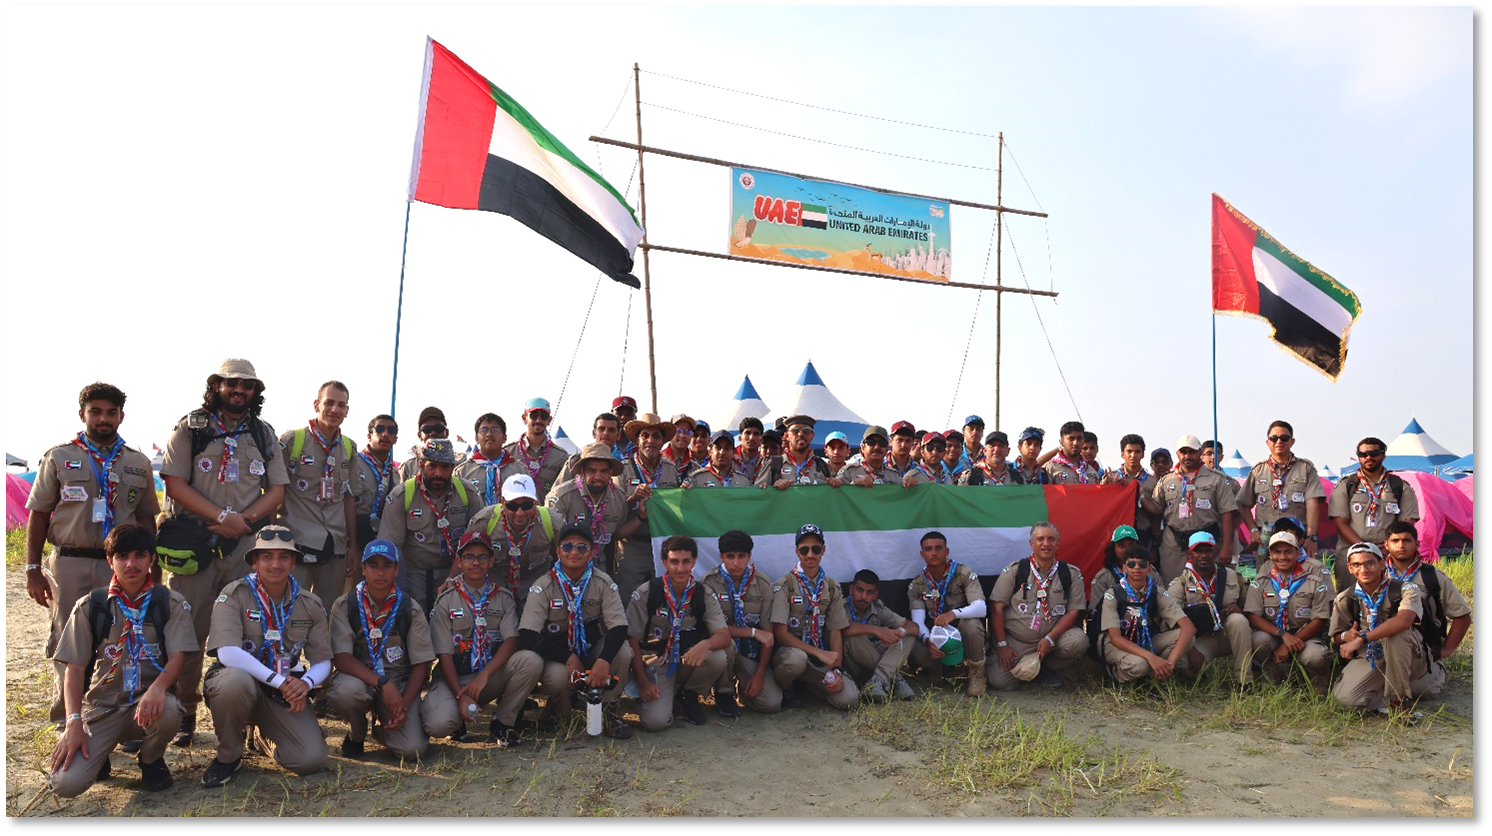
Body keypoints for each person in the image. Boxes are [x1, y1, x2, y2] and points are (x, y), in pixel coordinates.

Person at [159, 358, 289, 746]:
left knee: (250, 633)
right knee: (188, 633)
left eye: (247, 386)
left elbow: (277, 490)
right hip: (196, 546)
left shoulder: (263, 434)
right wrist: (221, 516)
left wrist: (242, 521)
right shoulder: (191, 428)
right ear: (217, 385)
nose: (239, 391)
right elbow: (174, 484)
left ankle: (250, 719)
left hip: (244, 547)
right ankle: (185, 712)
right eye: (232, 383)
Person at [26, 381, 161, 727]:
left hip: (121, 566)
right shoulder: (58, 457)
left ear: (121, 416)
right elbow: (38, 514)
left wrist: (153, 567)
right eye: (96, 412)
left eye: (111, 413)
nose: (104, 419)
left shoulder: (138, 462)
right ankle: (66, 721)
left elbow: (147, 518)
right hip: (70, 562)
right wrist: (32, 569)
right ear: (82, 414)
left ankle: (112, 719)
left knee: (119, 638)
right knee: (68, 640)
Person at [47, 524, 196, 798]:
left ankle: (150, 760)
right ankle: (100, 754)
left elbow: (178, 656)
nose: (131, 563)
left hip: (147, 704)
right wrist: (73, 722)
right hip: (102, 708)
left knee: (171, 710)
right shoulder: (92, 606)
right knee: (65, 784)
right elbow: (74, 669)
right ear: (110, 561)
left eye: (140, 555)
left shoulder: (169, 603)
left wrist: (158, 688)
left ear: (152, 559)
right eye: (122, 556)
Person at [200, 525, 332, 787]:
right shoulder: (234, 595)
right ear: (254, 562)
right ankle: (229, 755)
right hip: (241, 683)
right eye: (267, 557)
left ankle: (261, 737)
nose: (275, 564)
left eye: (284, 557)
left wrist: (305, 684)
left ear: (293, 562)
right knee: (234, 683)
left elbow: (323, 661)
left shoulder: (310, 604)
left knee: (309, 760)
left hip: (281, 691)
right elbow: (227, 652)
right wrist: (279, 681)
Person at [511, 525, 634, 739]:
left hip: (592, 648)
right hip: (558, 653)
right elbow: (528, 634)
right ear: (558, 551)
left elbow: (619, 626)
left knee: (623, 652)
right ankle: (559, 706)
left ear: (592, 552)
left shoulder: (603, 582)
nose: (574, 552)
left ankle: (608, 709)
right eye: (567, 546)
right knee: (557, 678)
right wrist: (568, 658)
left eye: (581, 547)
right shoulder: (543, 586)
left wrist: (604, 660)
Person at [424, 531, 542, 746]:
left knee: (530, 660)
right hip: (454, 677)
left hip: (489, 676)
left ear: (491, 562)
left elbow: (511, 640)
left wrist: (485, 675)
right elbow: (444, 654)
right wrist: (460, 695)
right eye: (469, 557)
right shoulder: (445, 600)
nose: (476, 562)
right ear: (459, 561)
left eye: (482, 557)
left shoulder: (503, 597)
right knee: (438, 725)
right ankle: (458, 720)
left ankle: (503, 722)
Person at [327, 539, 434, 760]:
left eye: (387, 565)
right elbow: (342, 658)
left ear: (396, 570)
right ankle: (357, 733)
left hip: (398, 682)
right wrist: (382, 683)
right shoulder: (346, 605)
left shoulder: (409, 608)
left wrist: (404, 705)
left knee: (412, 750)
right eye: (373, 565)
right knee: (345, 693)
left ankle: (383, 729)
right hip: (360, 679)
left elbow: (421, 663)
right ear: (363, 569)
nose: (380, 572)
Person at [627, 536, 730, 731]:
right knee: (656, 722)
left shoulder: (703, 593)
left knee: (717, 657)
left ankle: (687, 695)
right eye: (674, 561)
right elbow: (632, 639)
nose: (680, 568)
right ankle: (647, 698)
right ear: (664, 562)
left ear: (694, 562)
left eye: (686, 561)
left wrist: (705, 644)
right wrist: (643, 682)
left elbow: (723, 636)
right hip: (656, 663)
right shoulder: (648, 592)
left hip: (687, 660)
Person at [378, 438, 484, 614]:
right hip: (413, 572)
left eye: (445, 467)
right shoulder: (402, 495)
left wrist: (454, 577)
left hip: (455, 569)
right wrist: (401, 589)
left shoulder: (467, 494)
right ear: (421, 465)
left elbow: (476, 542)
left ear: (453, 468)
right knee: (413, 617)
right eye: (432, 466)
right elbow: (391, 546)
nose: (438, 473)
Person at [278, 380, 359, 603]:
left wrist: (353, 546)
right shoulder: (293, 441)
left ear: (347, 410)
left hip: (336, 544)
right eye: (329, 403)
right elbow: (275, 491)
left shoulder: (349, 448)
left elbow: (349, 498)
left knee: (329, 610)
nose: (335, 409)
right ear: (317, 404)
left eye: (341, 405)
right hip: (297, 542)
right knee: (291, 607)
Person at [1328, 542, 1429, 712]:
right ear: (1350, 568)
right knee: (1346, 701)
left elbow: (1403, 621)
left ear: (1382, 564)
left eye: (1370, 563)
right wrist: (1347, 636)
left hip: (1409, 654)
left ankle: (1399, 701)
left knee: (1394, 635)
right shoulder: (1346, 598)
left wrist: (1362, 638)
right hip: (1371, 655)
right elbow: (1336, 636)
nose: (1364, 569)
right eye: (1356, 565)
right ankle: (1382, 694)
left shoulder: (1406, 589)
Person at [988, 523, 1089, 690]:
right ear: (1031, 544)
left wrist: (1050, 638)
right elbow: (996, 608)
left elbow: (1073, 611)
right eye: (1040, 539)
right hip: (1018, 641)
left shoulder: (1070, 574)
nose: (1046, 544)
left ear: (1057, 544)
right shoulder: (1016, 571)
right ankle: (1030, 669)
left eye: (1051, 539)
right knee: (999, 682)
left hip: (1053, 640)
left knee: (1079, 641)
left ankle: (1044, 668)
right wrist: (1002, 645)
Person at [769, 524, 859, 709]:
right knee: (797, 659)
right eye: (804, 550)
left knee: (849, 699)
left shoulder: (832, 587)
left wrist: (836, 669)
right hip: (791, 655)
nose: (810, 555)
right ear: (797, 551)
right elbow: (781, 634)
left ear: (823, 550)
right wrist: (818, 653)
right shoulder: (785, 585)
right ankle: (786, 687)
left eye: (816, 549)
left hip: (819, 659)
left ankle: (810, 685)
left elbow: (835, 631)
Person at [1381, 522, 1471, 700]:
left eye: (1407, 540)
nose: (1401, 545)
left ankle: (1433, 670)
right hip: (1382, 643)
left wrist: (1446, 650)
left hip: (1422, 645)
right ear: (1386, 544)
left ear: (1417, 544)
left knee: (1424, 691)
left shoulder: (1433, 576)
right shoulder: (1376, 573)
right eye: (1395, 540)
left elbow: (1462, 616)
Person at [700, 530, 780, 716]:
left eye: (741, 556)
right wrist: (753, 632)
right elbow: (714, 629)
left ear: (749, 556)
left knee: (772, 703)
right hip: (723, 650)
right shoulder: (709, 583)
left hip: (750, 653)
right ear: (721, 556)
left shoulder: (762, 583)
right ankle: (724, 692)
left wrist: (759, 674)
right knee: (726, 643)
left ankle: (744, 690)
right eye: (730, 556)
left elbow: (768, 633)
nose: (736, 563)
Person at [1328, 437, 1421, 592]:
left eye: (1374, 453)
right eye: (1363, 454)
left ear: (1383, 455)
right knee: (1349, 598)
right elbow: (1340, 522)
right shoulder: (1346, 485)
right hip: (1352, 553)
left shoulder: (1399, 486)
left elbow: (1407, 523)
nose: (1368, 457)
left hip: (1388, 554)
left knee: (1392, 596)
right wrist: (1365, 548)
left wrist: (1389, 546)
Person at [1244, 531, 1332, 691]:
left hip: (1305, 637)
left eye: (1288, 552)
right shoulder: (1261, 581)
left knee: (1315, 655)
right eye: (1277, 552)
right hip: (1274, 635)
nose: (1282, 557)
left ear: (1298, 553)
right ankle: (1272, 675)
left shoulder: (1315, 582)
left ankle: (1316, 680)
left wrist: (1291, 641)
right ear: (1270, 554)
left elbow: (1320, 620)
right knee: (1257, 640)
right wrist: (1284, 636)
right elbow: (1253, 616)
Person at [551, 442, 639, 596]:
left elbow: (617, 533)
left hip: (600, 569)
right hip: (565, 569)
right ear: (582, 471)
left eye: (603, 471)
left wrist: (641, 516)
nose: (598, 477)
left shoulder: (619, 498)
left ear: (611, 473)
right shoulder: (561, 497)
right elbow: (552, 541)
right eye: (592, 471)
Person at [906, 531, 988, 694]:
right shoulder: (917, 585)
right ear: (922, 554)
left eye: (938, 548)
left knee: (972, 625)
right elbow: (918, 621)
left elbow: (981, 607)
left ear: (946, 551)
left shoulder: (963, 574)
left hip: (961, 632)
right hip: (936, 635)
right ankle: (937, 669)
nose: (933, 553)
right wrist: (928, 641)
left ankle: (977, 675)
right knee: (915, 645)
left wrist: (954, 614)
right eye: (928, 549)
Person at [1099, 547, 1196, 683]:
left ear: (1149, 568)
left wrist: (1170, 663)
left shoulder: (1157, 592)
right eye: (1131, 564)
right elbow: (1115, 638)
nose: (1137, 568)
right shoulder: (1113, 594)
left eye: (1142, 564)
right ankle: (1117, 675)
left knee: (1187, 637)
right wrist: (1151, 657)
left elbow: (1189, 628)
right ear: (1124, 568)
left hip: (1145, 639)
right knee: (1140, 665)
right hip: (1117, 643)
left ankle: (1157, 674)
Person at [1151, 435, 1238, 581]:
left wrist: (1227, 546)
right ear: (1177, 454)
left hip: (1207, 542)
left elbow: (1227, 513)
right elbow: (1156, 509)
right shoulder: (1166, 480)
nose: (1187, 456)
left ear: (1200, 452)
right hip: (1174, 544)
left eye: (1192, 452)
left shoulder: (1217, 479)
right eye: (1183, 452)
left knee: (1211, 585)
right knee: (1172, 584)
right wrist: (1140, 495)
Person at [1237, 421, 1325, 564]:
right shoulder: (1258, 471)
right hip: (1266, 539)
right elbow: (1243, 503)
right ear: (1268, 442)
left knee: (1300, 575)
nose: (1279, 441)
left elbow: (1312, 502)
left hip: (1296, 538)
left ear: (1292, 441)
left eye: (1284, 438)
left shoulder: (1305, 468)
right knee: (1266, 576)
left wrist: (1311, 537)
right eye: (1274, 438)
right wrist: (1253, 530)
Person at [1168, 532, 1251, 683]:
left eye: (1208, 551)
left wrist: (1240, 610)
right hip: (1201, 639)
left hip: (1228, 634)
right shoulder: (1180, 583)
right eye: (1198, 551)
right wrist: (1191, 651)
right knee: (1184, 665)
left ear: (1216, 552)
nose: (1204, 556)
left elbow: (1250, 607)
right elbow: (1172, 623)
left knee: (1239, 620)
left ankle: (1244, 680)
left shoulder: (1233, 576)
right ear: (1189, 553)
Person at [469, 474, 556, 604]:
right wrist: (451, 580)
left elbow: (562, 559)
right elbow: (466, 556)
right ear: (502, 503)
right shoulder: (485, 521)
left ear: (535, 503)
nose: (519, 513)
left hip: (536, 589)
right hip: (494, 589)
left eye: (526, 505)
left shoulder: (552, 522)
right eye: (512, 506)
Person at [842, 570, 918, 701]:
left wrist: (898, 633)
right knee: (854, 635)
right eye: (859, 590)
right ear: (851, 589)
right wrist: (877, 630)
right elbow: (842, 629)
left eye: (869, 592)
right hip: (854, 666)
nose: (863, 597)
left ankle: (879, 680)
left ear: (875, 595)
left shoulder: (877, 608)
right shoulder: (841, 606)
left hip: (876, 661)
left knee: (908, 636)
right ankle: (894, 677)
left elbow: (913, 627)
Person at [506, 398, 569, 502]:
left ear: (549, 420)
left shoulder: (560, 456)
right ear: (524, 418)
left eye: (543, 416)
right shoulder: (509, 453)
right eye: (534, 415)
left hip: (547, 510)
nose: (538, 420)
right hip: (517, 510)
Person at [352, 415, 399, 549]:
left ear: (395, 439)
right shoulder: (353, 463)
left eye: (391, 431)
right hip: (354, 537)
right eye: (379, 429)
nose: (385, 434)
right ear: (369, 436)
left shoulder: (394, 473)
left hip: (382, 539)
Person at [757, 415, 839, 488]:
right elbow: (758, 493)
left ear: (812, 435)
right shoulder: (774, 464)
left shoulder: (822, 466)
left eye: (806, 430)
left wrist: (836, 484)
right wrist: (772, 488)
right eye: (795, 430)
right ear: (787, 436)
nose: (800, 434)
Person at [455, 413, 519, 506]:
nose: (489, 434)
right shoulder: (462, 472)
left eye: (495, 430)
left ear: (504, 438)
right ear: (476, 438)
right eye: (484, 430)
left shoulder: (519, 471)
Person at [1112, 434, 1162, 547]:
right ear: (1122, 453)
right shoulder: (1113, 477)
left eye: (1137, 451)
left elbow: (1157, 511)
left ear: (1143, 454)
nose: (1133, 455)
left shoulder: (1152, 481)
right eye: (1129, 451)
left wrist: (1142, 497)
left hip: (1143, 534)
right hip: (1118, 534)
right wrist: (1109, 487)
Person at [555, 413, 623, 484]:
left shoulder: (624, 464)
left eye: (611, 430)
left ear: (618, 435)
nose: (606, 433)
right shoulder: (576, 461)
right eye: (601, 429)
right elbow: (558, 488)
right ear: (594, 433)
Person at [397, 407, 454, 480]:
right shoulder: (408, 466)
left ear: (447, 433)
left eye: (439, 428)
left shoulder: (461, 465)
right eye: (427, 429)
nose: (433, 433)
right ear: (419, 435)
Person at [688, 430, 753, 487]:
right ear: (710, 451)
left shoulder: (744, 481)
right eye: (718, 448)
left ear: (733, 452)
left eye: (727, 448)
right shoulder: (696, 479)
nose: (722, 452)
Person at [883, 421, 924, 486]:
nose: (903, 445)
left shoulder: (920, 471)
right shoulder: (880, 466)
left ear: (912, 443)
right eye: (899, 440)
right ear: (890, 441)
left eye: (908, 441)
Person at [736, 417, 767, 482]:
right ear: (740, 438)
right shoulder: (730, 460)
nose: (751, 438)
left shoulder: (766, 463)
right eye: (748, 433)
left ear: (761, 440)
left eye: (756, 434)